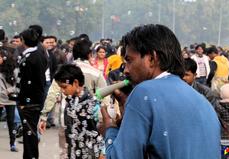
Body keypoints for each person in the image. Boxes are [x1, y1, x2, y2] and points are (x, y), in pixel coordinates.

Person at [101, 24, 220, 159]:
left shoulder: (144, 92)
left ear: (152, 58)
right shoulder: (202, 101)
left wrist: (110, 131)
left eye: (129, 61)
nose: (126, 70)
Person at [54, 64, 104, 159]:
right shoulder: (71, 102)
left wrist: (100, 154)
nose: (62, 90)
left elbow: (96, 133)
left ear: (76, 83)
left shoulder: (90, 105)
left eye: (64, 87)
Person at [17, 28, 47, 159]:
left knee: (29, 135)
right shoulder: (40, 54)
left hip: (30, 101)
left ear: (23, 41)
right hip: (36, 99)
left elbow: (26, 83)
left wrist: (23, 101)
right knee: (30, 134)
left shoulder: (29, 58)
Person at [0, 48, 18, 152]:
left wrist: (7, 91)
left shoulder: (14, 70)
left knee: (11, 122)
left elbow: (18, 85)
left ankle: (12, 143)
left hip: (10, 99)